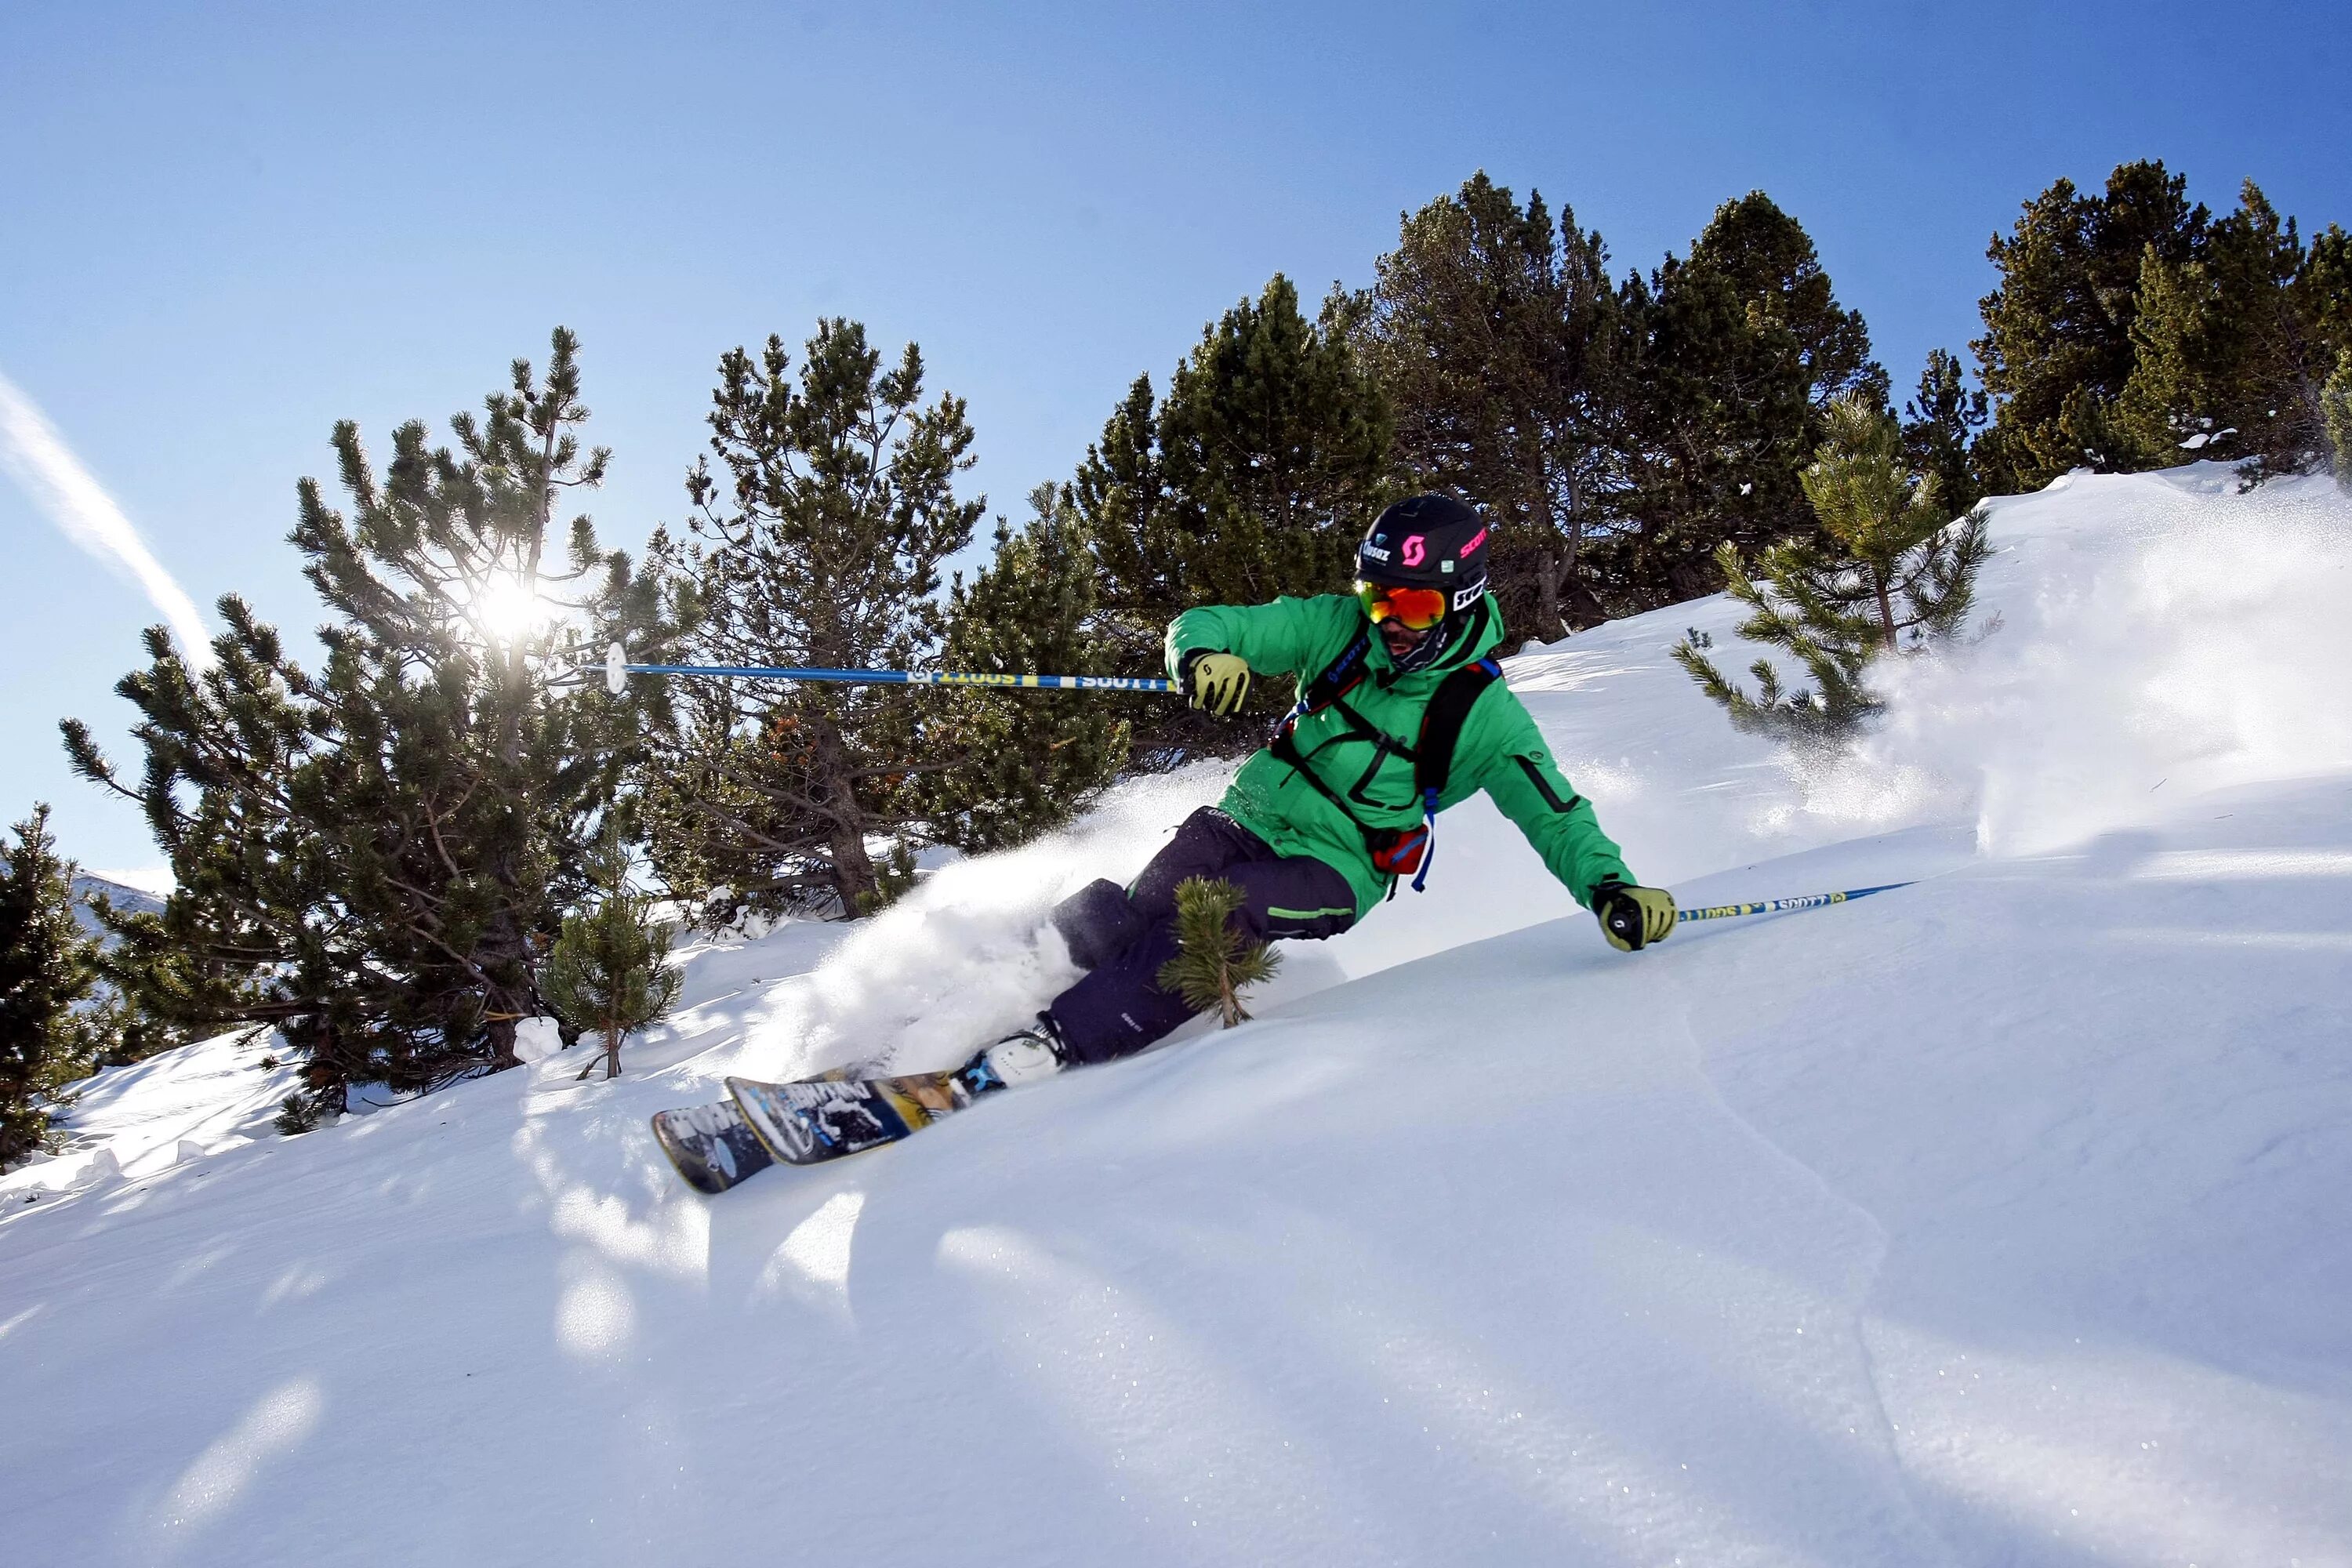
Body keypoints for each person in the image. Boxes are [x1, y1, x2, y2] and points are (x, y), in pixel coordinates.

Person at [959, 495, 1676, 1094]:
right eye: (1377, 598)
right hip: (1247, 816)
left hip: (1340, 866)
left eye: (1416, 607)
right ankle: (995, 988)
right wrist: (1203, 657)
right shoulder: (1338, 629)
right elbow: (1213, 623)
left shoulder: (1484, 716)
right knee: (1133, 918)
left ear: (1459, 605)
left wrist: (1610, 886)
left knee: (1223, 911)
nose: (1390, 622)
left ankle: (1053, 1046)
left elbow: (1556, 817)